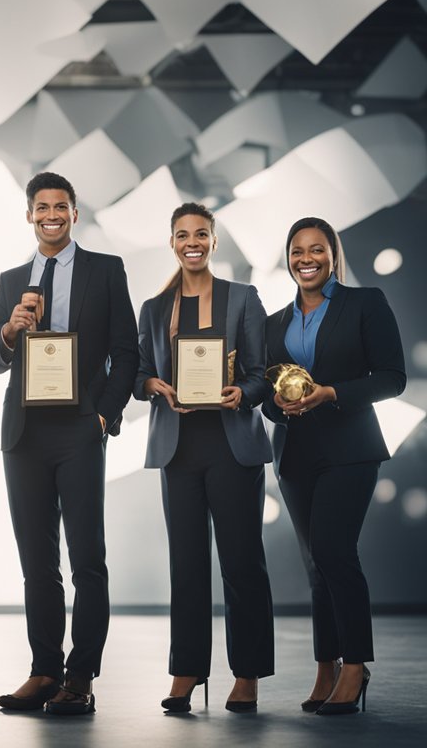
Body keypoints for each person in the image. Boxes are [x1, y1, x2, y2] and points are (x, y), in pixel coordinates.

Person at [0, 172, 136, 715]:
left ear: (75, 213)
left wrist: (103, 415)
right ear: (29, 215)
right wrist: (7, 331)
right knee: (37, 563)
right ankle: (45, 670)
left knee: (87, 558)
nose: (51, 214)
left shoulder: (106, 270)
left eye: (61, 206)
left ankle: (81, 676)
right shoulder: (10, 279)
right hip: (23, 432)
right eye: (42, 206)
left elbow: (127, 352)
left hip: (79, 428)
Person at [134, 203, 274, 713]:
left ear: (213, 241)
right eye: (182, 235)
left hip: (232, 447)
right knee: (186, 565)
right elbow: (139, 374)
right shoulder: (154, 308)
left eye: (201, 234)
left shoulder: (242, 298)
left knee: (241, 564)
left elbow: (262, 371)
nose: (191, 242)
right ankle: (188, 670)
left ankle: (248, 673)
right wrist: (152, 383)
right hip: (179, 450)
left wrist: (244, 391)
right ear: (172, 243)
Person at [263, 217, 405, 716]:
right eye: (297, 250)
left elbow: (393, 378)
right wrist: (277, 404)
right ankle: (325, 664)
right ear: (288, 258)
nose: (307, 259)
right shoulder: (275, 322)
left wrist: (331, 394)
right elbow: (267, 397)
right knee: (314, 566)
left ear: (332, 254)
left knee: (333, 551)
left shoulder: (366, 304)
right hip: (295, 456)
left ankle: (356, 665)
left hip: (351, 448)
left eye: (317, 249)